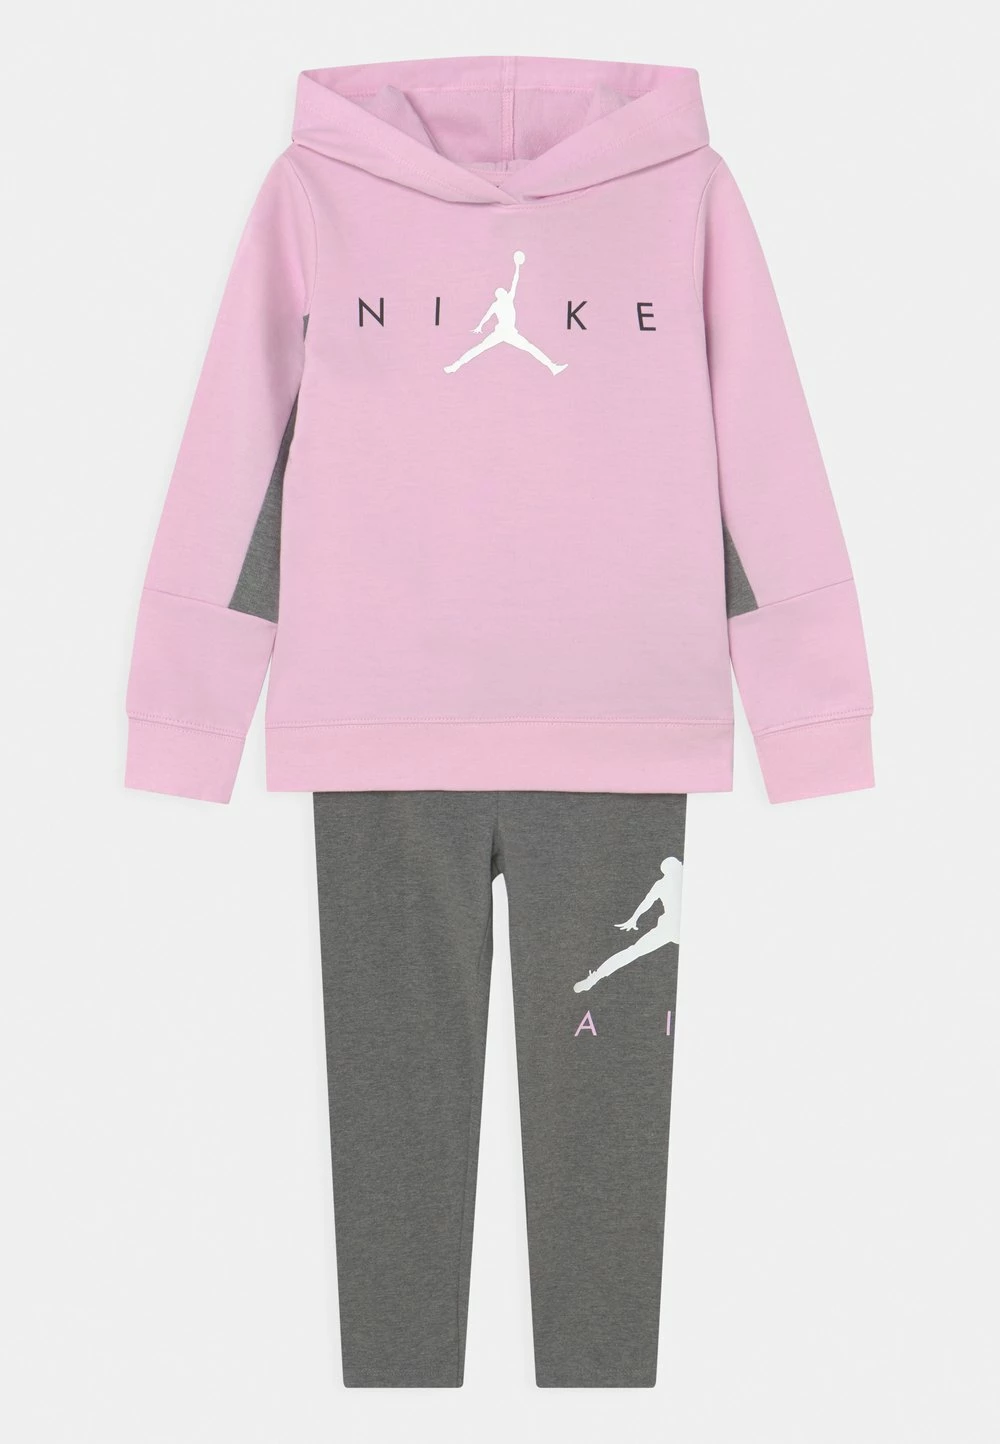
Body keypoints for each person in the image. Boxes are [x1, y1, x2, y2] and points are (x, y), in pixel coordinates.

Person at [444, 250, 567, 375]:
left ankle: (552, 367)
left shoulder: (507, 299)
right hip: (501, 332)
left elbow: (515, 282)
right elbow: (487, 316)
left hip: (510, 333)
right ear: (499, 295)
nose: (504, 291)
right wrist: (480, 326)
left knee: (528, 347)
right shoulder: (499, 303)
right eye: (501, 291)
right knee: (481, 348)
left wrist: (517, 267)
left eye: (503, 290)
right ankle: (455, 365)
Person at [574, 856, 683, 992]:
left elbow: (647, 902)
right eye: (679, 864)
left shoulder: (667, 882)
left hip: (671, 926)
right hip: (670, 926)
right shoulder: (667, 882)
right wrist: (634, 918)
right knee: (633, 951)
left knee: (633, 951)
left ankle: (594, 978)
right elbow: (647, 902)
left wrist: (634, 918)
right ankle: (594, 978)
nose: (681, 865)